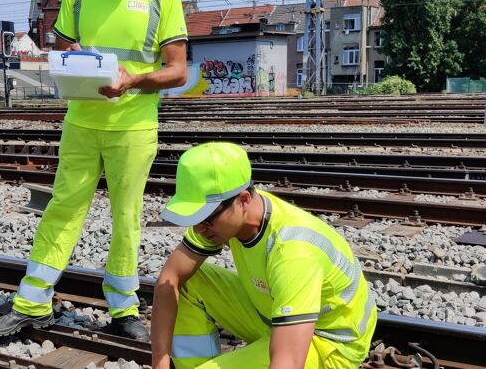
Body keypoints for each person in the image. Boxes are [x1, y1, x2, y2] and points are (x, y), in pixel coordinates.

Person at [0, 0, 188, 341]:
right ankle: (32, 303)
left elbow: (178, 72)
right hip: (81, 121)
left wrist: (133, 79)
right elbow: (62, 40)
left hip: (133, 126)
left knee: (126, 218)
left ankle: (124, 309)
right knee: (62, 208)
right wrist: (72, 53)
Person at [151, 142, 377, 369]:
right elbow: (169, 279)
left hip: (327, 343)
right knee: (190, 282)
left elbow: (287, 363)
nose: (199, 228)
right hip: (273, 315)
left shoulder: (293, 251)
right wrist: (160, 362)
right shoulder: (222, 220)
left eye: (205, 217)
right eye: (194, 218)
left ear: (243, 200)